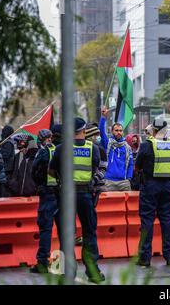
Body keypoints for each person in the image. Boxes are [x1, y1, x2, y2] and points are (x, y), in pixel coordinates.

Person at [49, 117, 105, 283]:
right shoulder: (93, 148)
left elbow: (51, 171)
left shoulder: (61, 149)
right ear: (83, 131)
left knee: (66, 234)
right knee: (89, 233)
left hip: (66, 195)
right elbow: (96, 170)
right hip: (85, 195)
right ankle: (93, 273)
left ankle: (66, 273)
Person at [135, 118, 170, 267]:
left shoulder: (147, 145)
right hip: (169, 186)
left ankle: (145, 258)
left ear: (153, 130)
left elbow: (138, 164)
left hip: (150, 186)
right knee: (167, 221)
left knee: (147, 221)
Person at [30, 129, 60, 273]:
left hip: (47, 194)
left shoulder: (43, 152)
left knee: (45, 229)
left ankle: (42, 262)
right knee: (63, 231)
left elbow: (33, 171)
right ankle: (62, 264)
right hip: (61, 195)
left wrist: (40, 185)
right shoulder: (58, 150)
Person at [99, 106, 133, 191]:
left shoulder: (127, 147)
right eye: (116, 130)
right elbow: (102, 132)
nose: (119, 132)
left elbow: (131, 164)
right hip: (109, 182)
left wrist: (129, 178)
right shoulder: (108, 143)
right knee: (108, 204)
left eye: (120, 130)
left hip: (124, 182)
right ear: (112, 131)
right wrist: (103, 117)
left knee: (126, 204)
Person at [86, 123, 108, 199]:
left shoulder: (100, 149)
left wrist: (94, 180)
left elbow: (103, 168)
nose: (98, 137)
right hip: (85, 187)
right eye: (96, 135)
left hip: (99, 186)